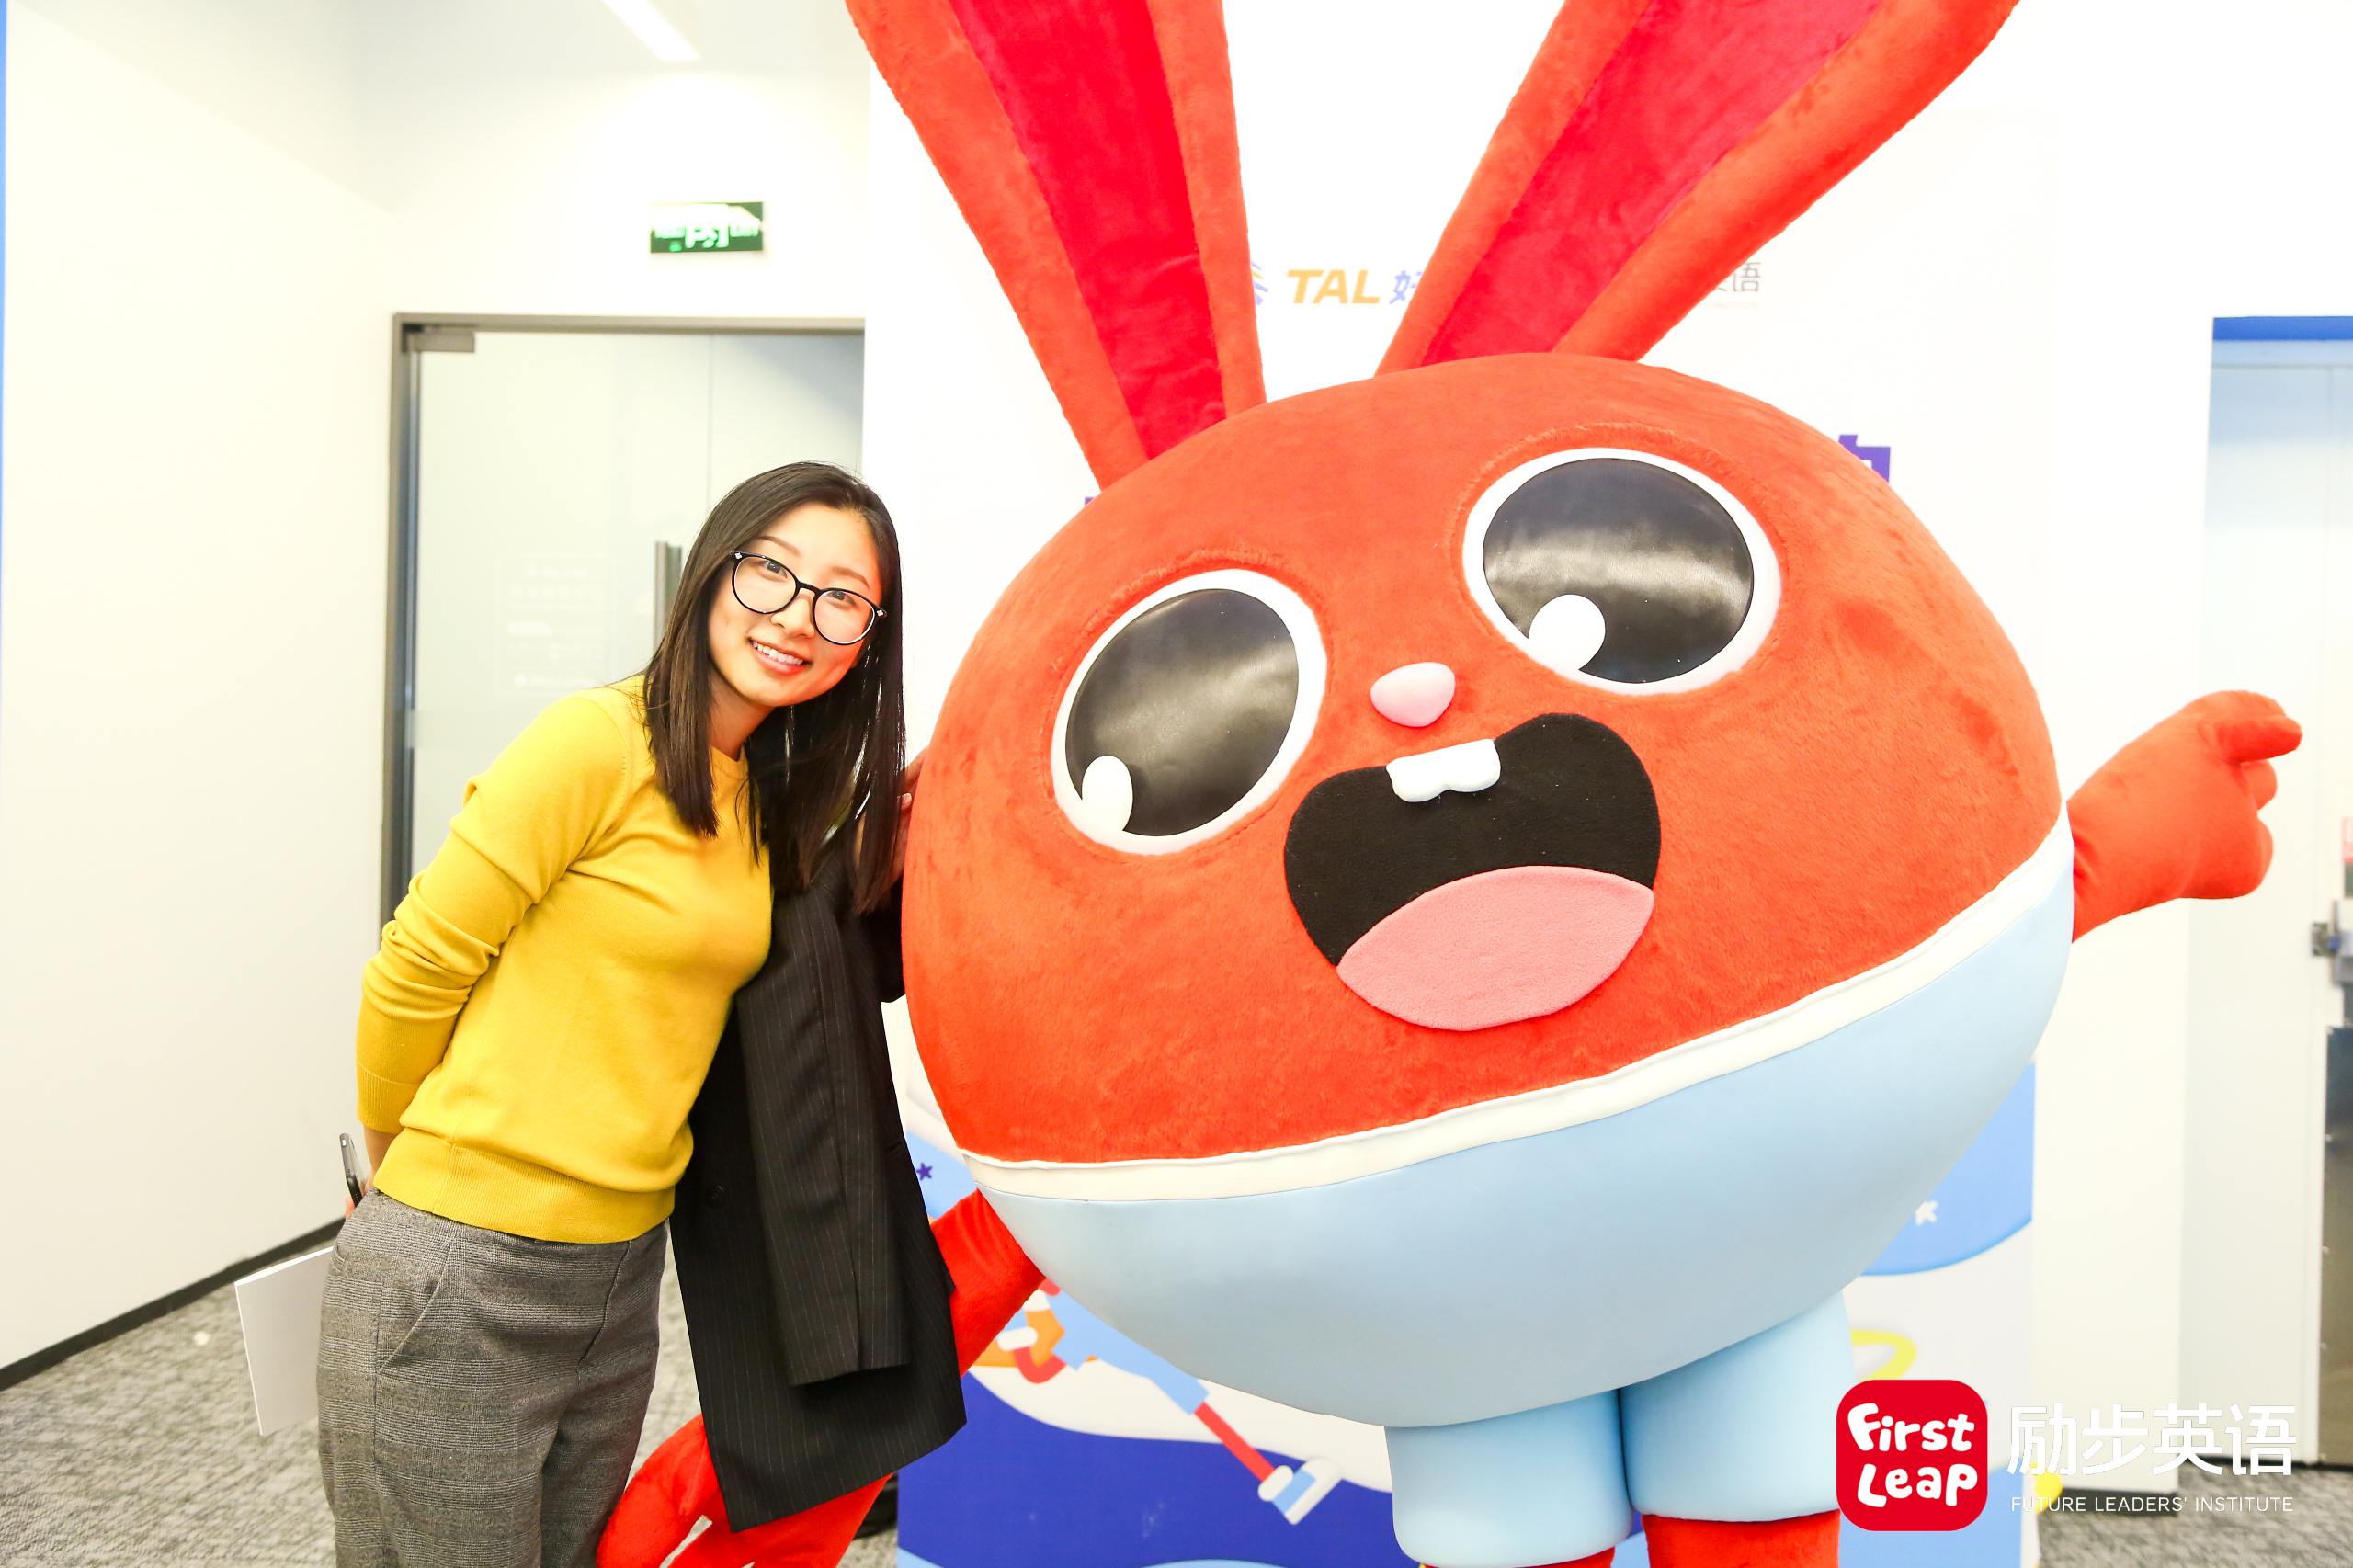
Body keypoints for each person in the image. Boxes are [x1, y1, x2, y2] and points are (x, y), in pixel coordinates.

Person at [318, 461, 908, 1568]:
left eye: (843, 597)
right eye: (773, 572)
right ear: (713, 572)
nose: (798, 616)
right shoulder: (594, 741)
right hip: (461, 1259)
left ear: (868, 637)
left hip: (618, 1273)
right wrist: (400, 1166)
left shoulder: (762, 801)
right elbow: (414, 966)